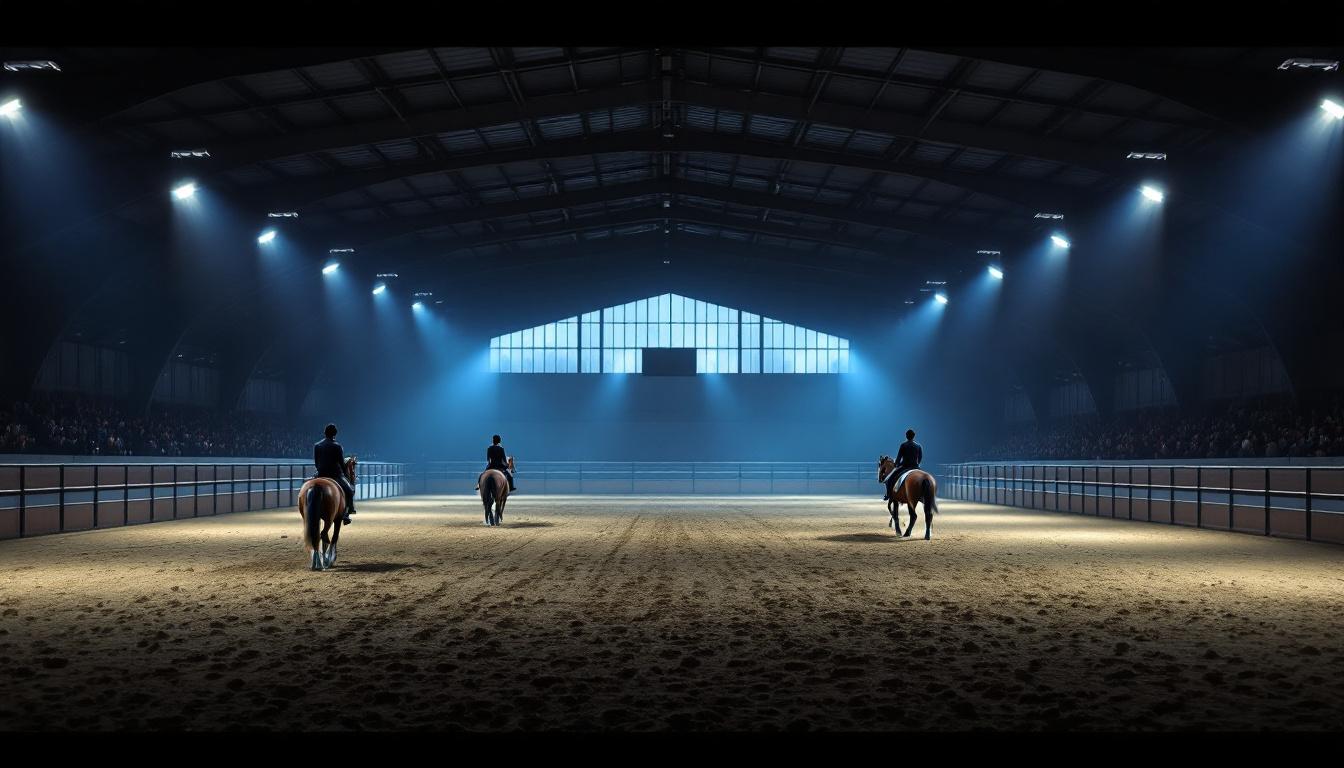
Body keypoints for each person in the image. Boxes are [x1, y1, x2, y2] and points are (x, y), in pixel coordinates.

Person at [314, 423, 356, 524]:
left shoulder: (317, 445)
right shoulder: (337, 446)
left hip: (320, 474)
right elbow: (342, 464)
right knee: (350, 491)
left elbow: (316, 463)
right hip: (335, 475)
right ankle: (347, 513)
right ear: (335, 434)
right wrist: (345, 473)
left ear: (325, 433)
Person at [883, 428, 923, 501]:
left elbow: (899, 457)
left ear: (906, 436)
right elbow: (920, 458)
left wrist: (896, 464)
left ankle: (888, 495)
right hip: (915, 467)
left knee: (889, 479)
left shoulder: (903, 445)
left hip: (905, 466)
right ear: (914, 436)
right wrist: (917, 465)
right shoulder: (918, 446)